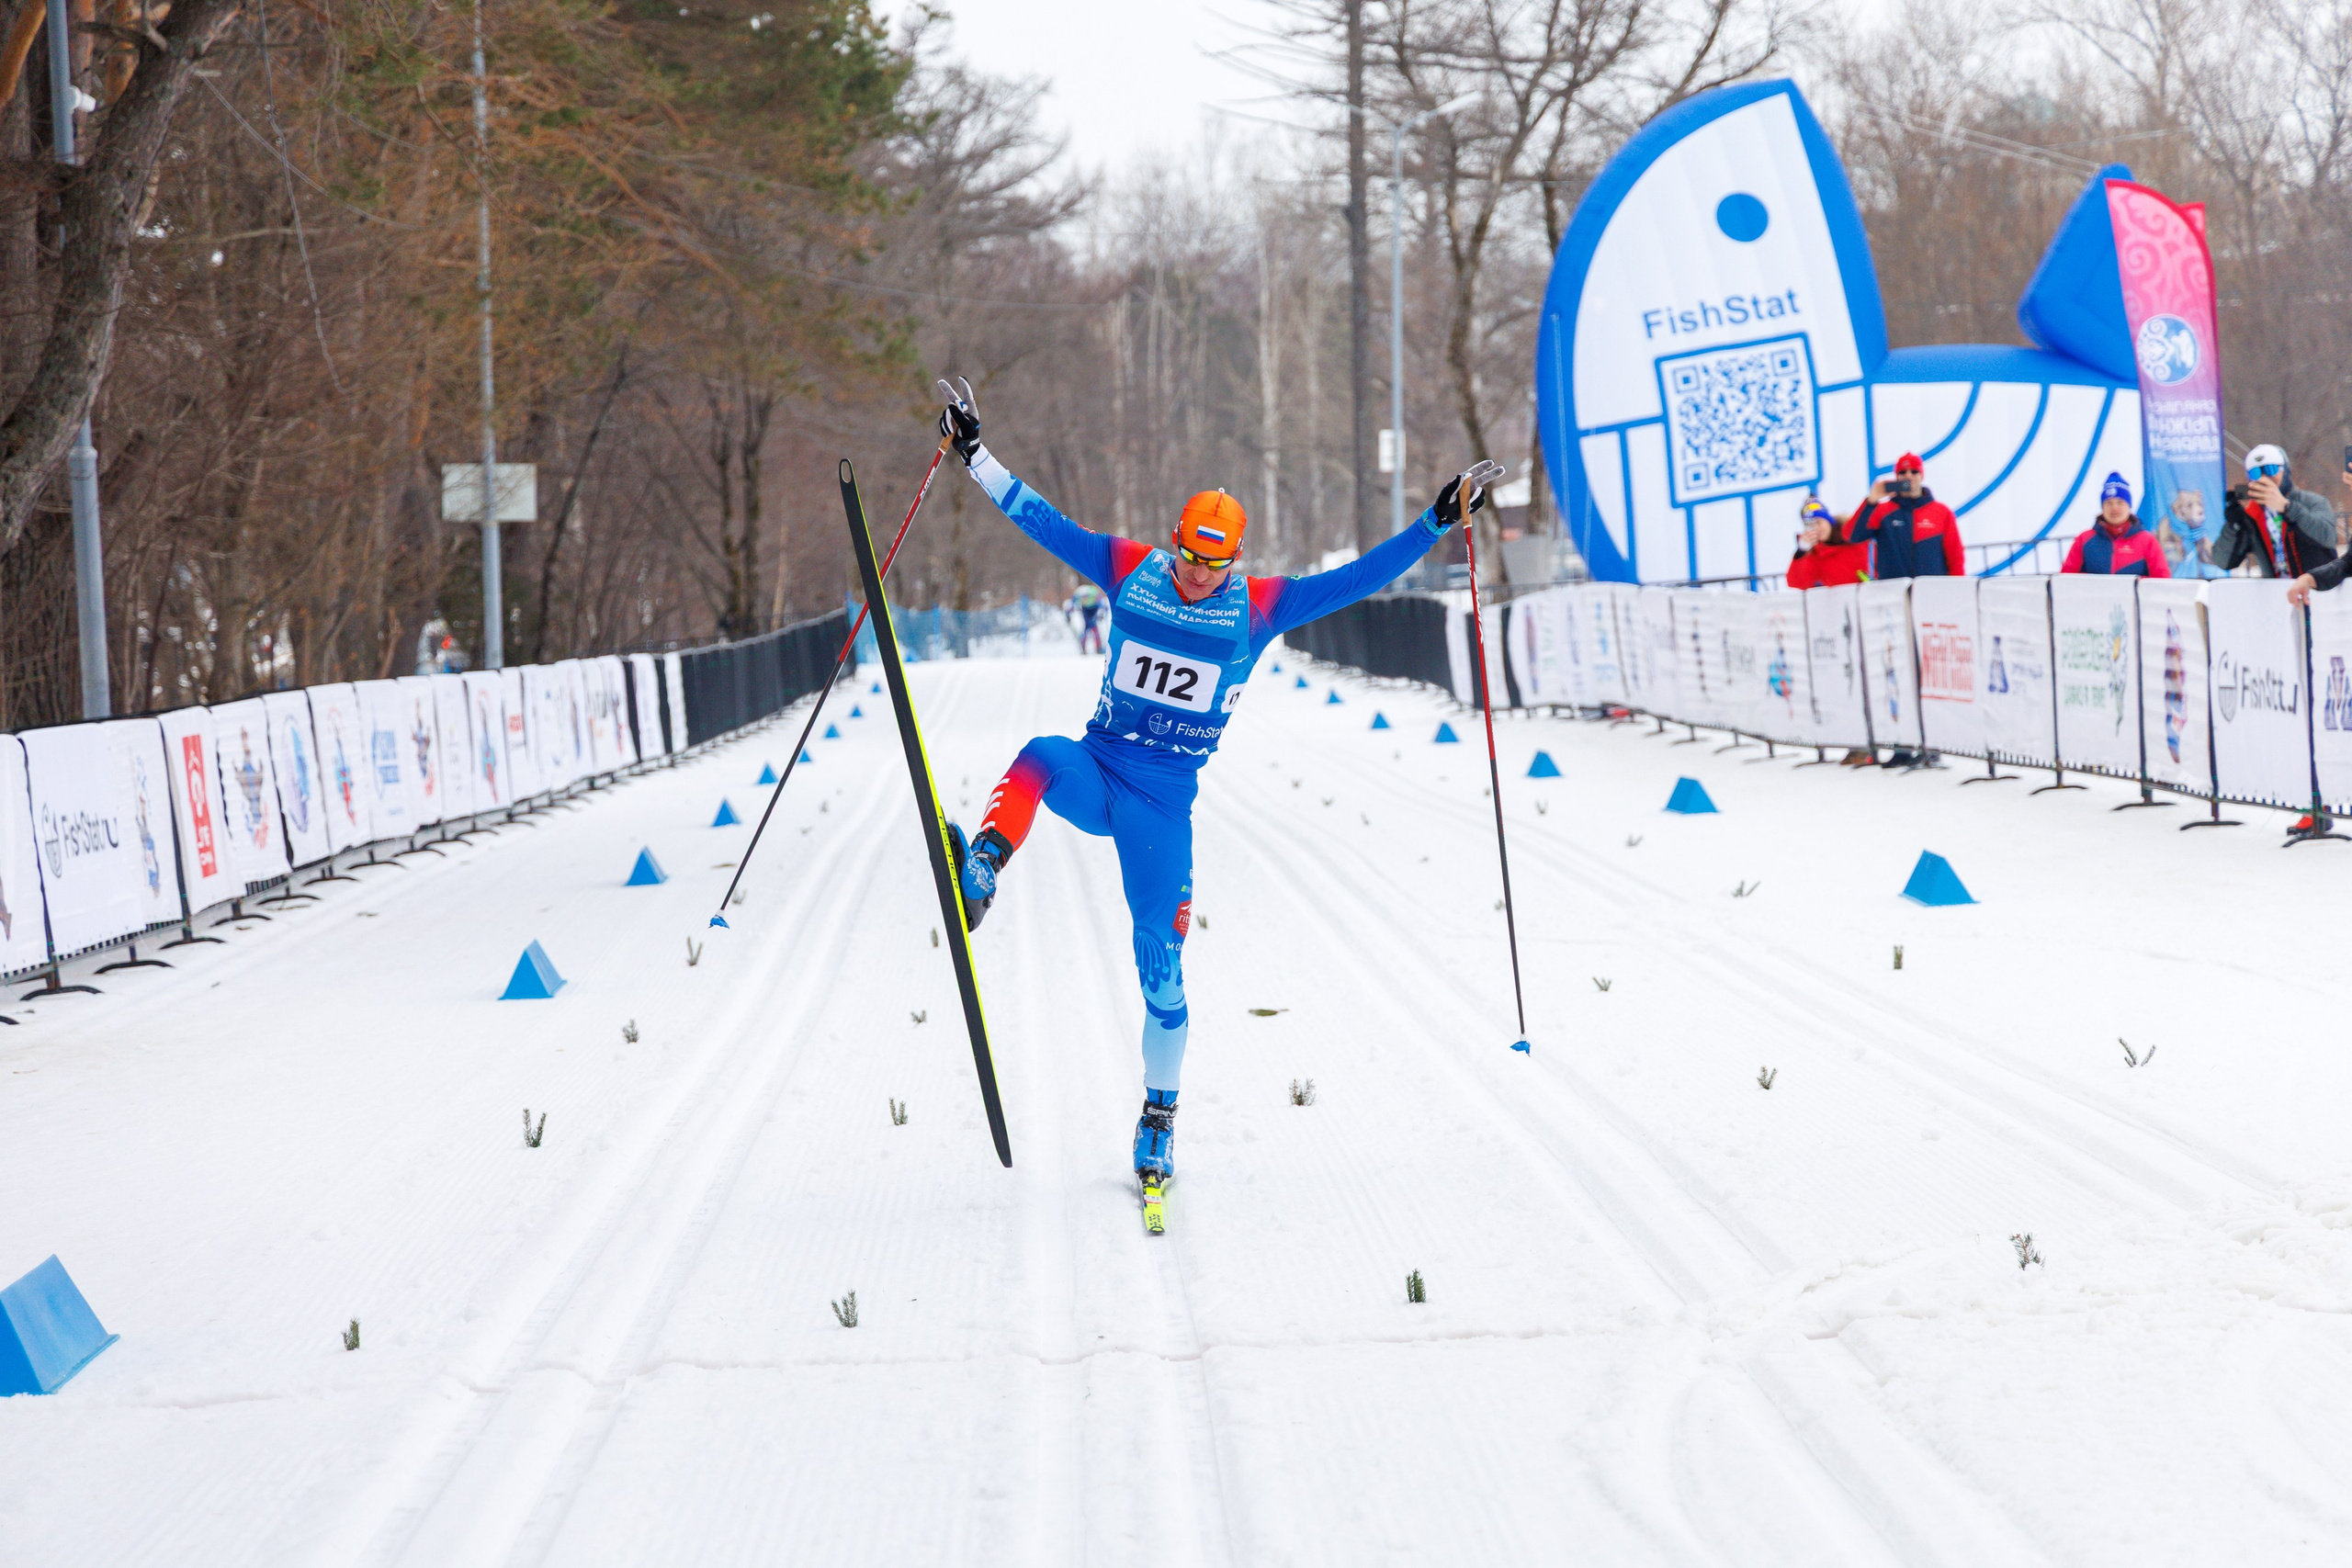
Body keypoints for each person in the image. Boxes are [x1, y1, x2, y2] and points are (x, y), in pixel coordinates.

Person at [933, 380, 1501, 1202]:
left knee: (1161, 971)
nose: (1200, 575)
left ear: (1237, 557)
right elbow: (1041, 518)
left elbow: (1360, 577)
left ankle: (1159, 1115)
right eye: (1190, 557)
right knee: (1036, 755)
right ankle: (981, 872)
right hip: (1100, 769)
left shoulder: (1260, 605)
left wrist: (1436, 521)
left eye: (1216, 561)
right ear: (1172, 544)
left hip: (1162, 810)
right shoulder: (1131, 568)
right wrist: (975, 455)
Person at [1831, 452, 1964, 578]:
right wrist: (1871, 501)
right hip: (1894, 594)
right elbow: (1851, 536)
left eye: (1914, 471)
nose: (1908, 476)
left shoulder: (1941, 512)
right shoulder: (1882, 511)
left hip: (1932, 592)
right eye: (1902, 472)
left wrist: (1957, 590)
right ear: (1896, 477)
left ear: (1922, 476)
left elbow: (1955, 557)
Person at [2219, 445, 2336, 583]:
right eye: (2255, 473)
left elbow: (2327, 537)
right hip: (2277, 595)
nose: (2264, 478)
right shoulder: (2252, 515)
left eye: (2270, 470)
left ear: (2285, 470)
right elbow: (2223, 561)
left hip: (2317, 590)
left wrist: (2286, 507)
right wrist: (2234, 525)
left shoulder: (2312, 502)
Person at [2061, 474, 2170, 576]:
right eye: (2108, 503)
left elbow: (2161, 580)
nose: (2114, 508)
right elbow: (2067, 578)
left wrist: (2134, 584)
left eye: (2120, 502)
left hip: (2132, 597)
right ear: (2102, 507)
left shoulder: (2147, 541)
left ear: (2129, 506)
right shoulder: (2084, 539)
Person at [1786, 495, 1870, 588]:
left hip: (1873, 597)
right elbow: (1797, 584)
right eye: (1810, 525)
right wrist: (1801, 552)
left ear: (1828, 520)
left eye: (1818, 522)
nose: (1816, 528)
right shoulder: (1814, 554)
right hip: (1841, 601)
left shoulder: (1854, 536)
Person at [1066, 581, 1107, 654]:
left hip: (1095, 608)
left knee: (1094, 628)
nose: (1085, 598)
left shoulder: (1094, 593)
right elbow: (1071, 604)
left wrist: (1101, 614)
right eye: (1083, 597)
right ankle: (1084, 648)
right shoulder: (1078, 594)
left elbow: (1103, 605)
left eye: (1086, 596)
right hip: (1085, 609)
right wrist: (1068, 614)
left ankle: (1098, 648)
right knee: (1086, 628)